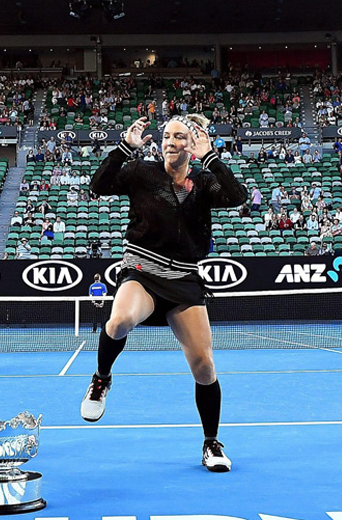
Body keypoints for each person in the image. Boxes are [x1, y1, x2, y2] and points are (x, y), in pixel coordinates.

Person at [82, 114, 247, 473]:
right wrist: (124, 148)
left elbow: (237, 197)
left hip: (185, 279)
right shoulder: (141, 172)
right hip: (142, 270)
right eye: (167, 136)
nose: (172, 142)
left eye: (180, 137)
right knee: (120, 320)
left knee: (204, 367)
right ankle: (102, 379)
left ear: (192, 143)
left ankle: (211, 442)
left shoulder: (203, 181)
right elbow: (99, 185)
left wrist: (211, 157)